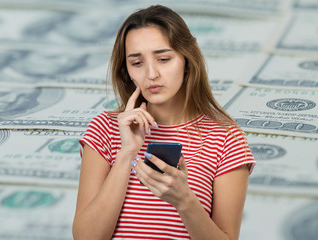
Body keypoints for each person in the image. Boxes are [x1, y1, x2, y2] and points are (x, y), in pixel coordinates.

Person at [73, 5, 256, 239]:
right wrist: (126, 152)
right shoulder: (105, 128)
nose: (151, 74)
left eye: (163, 59)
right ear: (127, 70)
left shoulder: (226, 138)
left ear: (187, 60)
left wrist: (184, 200)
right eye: (137, 63)